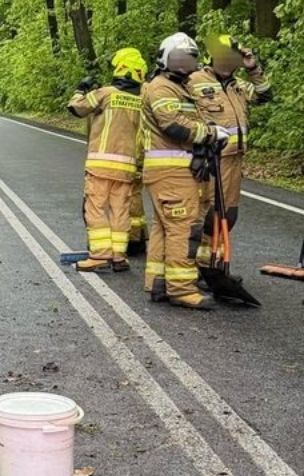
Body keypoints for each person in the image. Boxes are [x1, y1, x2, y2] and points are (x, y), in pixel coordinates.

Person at [141, 32, 230, 309]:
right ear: (164, 59)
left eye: (188, 60)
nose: (183, 65)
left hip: (175, 170)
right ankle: (181, 289)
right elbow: (174, 126)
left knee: (164, 228)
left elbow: (192, 119)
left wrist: (209, 134)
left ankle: (158, 282)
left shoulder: (180, 88)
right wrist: (210, 134)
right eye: (178, 59)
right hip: (171, 172)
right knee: (183, 228)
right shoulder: (161, 88)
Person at [188, 35, 272, 276]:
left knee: (227, 214)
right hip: (209, 159)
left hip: (234, 159)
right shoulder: (194, 81)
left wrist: (253, 68)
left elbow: (265, 95)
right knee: (204, 214)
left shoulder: (238, 86)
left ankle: (213, 265)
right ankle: (194, 266)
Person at [66, 48, 147, 272]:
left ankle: (100, 256)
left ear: (121, 69)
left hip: (101, 165)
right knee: (121, 211)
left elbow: (77, 108)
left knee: (96, 208)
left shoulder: (106, 93)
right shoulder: (142, 100)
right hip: (128, 167)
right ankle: (119, 256)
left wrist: (80, 89)